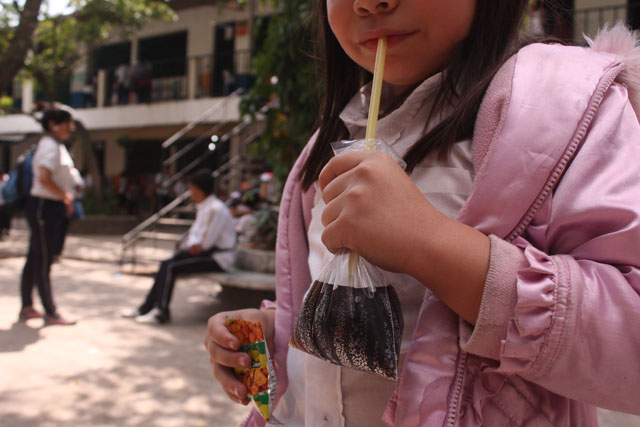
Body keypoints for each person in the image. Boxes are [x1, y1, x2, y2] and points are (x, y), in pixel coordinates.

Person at [204, 1, 640, 426]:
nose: (369, 4)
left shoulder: (567, 110)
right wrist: (276, 331)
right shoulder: (330, 142)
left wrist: (429, 242)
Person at [122, 169, 236, 324]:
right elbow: (194, 238)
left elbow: (204, 244)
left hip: (218, 258)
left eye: (191, 188)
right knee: (165, 264)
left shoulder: (215, 209)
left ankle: (161, 312)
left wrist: (192, 246)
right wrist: (191, 246)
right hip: (205, 253)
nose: (190, 192)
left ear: (197, 189)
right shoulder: (205, 207)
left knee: (171, 267)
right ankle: (146, 306)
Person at [19, 109, 77, 325]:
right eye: (67, 123)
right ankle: (51, 312)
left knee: (35, 256)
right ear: (54, 123)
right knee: (43, 259)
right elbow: (44, 178)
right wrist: (65, 196)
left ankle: (27, 306)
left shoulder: (54, 145)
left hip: (45, 206)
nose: (70, 128)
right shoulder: (50, 146)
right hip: (44, 207)